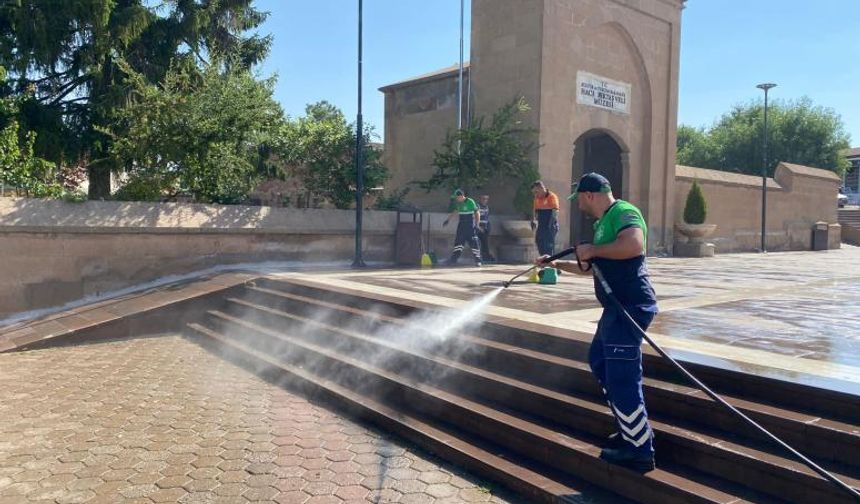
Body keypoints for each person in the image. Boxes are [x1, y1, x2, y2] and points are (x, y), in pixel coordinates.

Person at [536, 172, 658, 472]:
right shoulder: (603, 224)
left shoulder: (624, 212)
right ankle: (631, 431)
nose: (578, 204)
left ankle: (640, 450)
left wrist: (594, 250)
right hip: (615, 310)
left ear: (589, 195)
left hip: (629, 306)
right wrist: (555, 264)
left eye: (578, 198)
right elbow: (592, 267)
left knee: (621, 376)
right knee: (600, 362)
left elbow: (634, 246)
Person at [443, 189, 482, 266]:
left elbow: (477, 213)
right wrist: (448, 220)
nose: (456, 199)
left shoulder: (470, 202)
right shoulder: (459, 204)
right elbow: (455, 212)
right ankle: (453, 260)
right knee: (458, 243)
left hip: (470, 226)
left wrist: (477, 224)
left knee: (474, 243)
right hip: (461, 226)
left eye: (457, 197)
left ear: (461, 196)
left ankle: (478, 260)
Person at [531, 181, 559, 256]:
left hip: (550, 224)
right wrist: (533, 220)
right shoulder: (537, 198)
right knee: (539, 242)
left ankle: (550, 264)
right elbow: (536, 211)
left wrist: (550, 226)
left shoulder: (551, 196)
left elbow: (555, 212)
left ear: (541, 188)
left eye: (536, 192)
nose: (535, 194)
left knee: (548, 246)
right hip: (541, 225)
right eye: (534, 193)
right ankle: (543, 262)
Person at [476, 194, 496, 262]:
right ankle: (478, 257)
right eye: (483, 198)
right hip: (478, 227)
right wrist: (478, 226)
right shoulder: (477, 206)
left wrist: (487, 227)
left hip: (485, 227)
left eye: (486, 199)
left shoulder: (486, 207)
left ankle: (486, 257)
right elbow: (475, 216)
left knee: (485, 244)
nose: (485, 200)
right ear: (480, 199)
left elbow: (486, 218)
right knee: (477, 243)